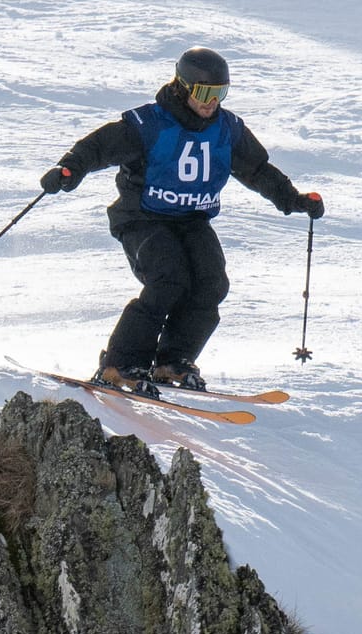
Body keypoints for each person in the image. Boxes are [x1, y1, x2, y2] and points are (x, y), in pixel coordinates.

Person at [40, 47, 324, 394]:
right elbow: (100, 147)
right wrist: (69, 169)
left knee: (211, 284)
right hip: (142, 218)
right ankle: (120, 364)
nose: (211, 102)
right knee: (167, 280)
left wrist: (292, 199)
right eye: (204, 93)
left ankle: (172, 361)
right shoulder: (151, 124)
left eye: (220, 93)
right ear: (182, 87)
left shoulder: (227, 129)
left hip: (191, 220)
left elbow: (258, 170)